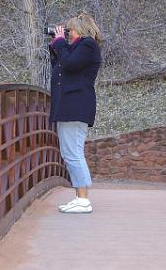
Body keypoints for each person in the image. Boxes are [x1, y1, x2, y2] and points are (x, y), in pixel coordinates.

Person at [48, 11, 102, 213]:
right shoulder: (75, 49)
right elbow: (61, 68)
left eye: (69, 30)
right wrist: (56, 47)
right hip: (69, 106)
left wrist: (61, 43)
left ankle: (84, 199)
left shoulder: (88, 45)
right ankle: (80, 196)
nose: (67, 33)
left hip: (76, 105)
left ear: (79, 29)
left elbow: (70, 64)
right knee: (70, 152)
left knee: (73, 153)